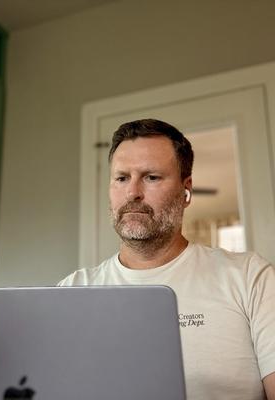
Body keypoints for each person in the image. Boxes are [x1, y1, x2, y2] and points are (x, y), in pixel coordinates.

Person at [58, 119, 275, 400]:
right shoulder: (71, 290)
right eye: (121, 178)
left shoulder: (250, 278)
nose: (133, 192)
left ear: (186, 191)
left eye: (151, 177)